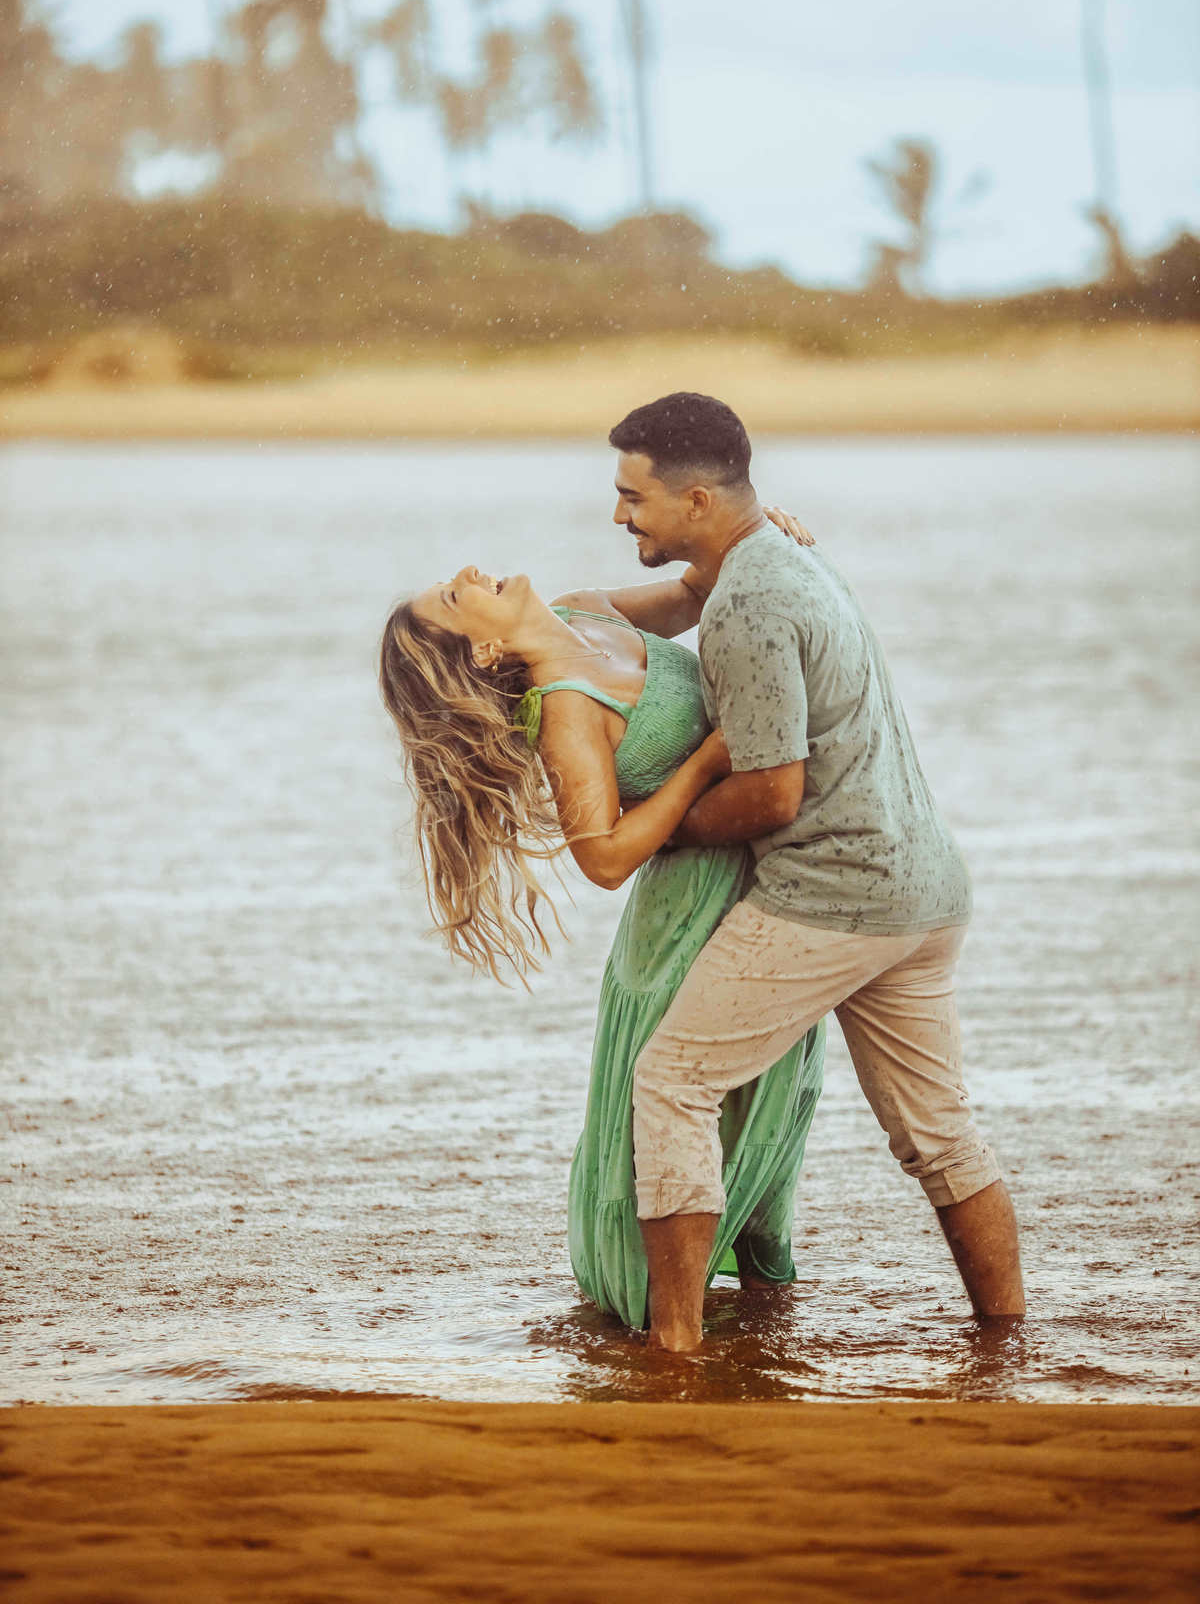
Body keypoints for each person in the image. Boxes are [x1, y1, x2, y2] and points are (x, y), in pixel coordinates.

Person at [607, 392, 1027, 1351]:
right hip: (924, 889)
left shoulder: (748, 604)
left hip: (833, 897)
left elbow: (771, 794)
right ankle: (1007, 1343)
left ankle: (675, 1348)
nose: (619, 515)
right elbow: (613, 612)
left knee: (670, 1082)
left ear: (699, 500)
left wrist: (661, 828)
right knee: (939, 1133)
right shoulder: (786, 557)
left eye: (633, 497)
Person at [378, 534, 826, 1330]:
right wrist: (702, 766)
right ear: (483, 650)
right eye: (452, 595)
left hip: (764, 883)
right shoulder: (565, 712)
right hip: (686, 923)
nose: (468, 572)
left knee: (770, 1106)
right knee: (701, 1117)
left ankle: (760, 1328)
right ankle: (669, 1327)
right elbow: (606, 859)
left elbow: (696, 593)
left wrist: (759, 534)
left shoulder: (587, 611)